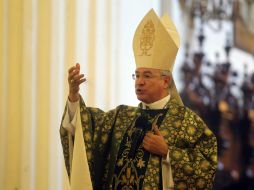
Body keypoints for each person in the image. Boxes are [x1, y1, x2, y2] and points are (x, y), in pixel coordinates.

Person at [60, 9, 217, 190]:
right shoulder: (120, 117)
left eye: (147, 76)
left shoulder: (186, 122)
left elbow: (206, 170)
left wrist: (168, 153)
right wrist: (73, 96)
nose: (139, 82)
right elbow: (84, 129)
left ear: (165, 81)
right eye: (137, 75)